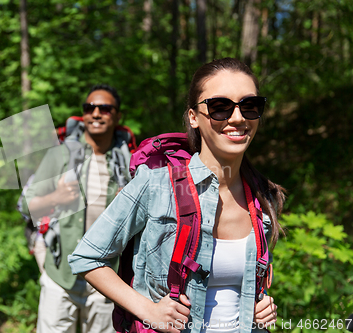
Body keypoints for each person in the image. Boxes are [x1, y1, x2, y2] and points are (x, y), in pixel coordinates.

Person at [68, 58, 285, 333]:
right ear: (193, 117)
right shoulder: (157, 184)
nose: (238, 118)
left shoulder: (262, 197)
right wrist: (147, 310)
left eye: (250, 106)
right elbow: (87, 257)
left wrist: (262, 306)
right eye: (220, 107)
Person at [24, 84, 132, 333]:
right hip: (60, 278)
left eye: (105, 108)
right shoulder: (61, 155)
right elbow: (29, 206)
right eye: (89, 107)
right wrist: (57, 197)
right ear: (83, 114)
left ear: (117, 116)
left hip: (106, 281)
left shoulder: (128, 162)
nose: (96, 113)